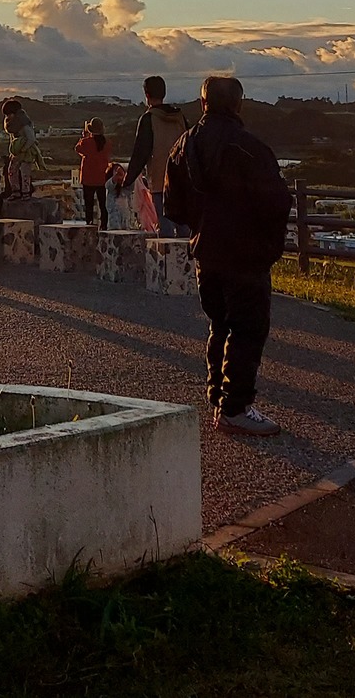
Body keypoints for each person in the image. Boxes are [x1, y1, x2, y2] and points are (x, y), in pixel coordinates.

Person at [165, 74, 291, 437]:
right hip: (246, 254)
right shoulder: (249, 148)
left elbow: (173, 206)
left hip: (207, 253)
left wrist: (203, 224)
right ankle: (236, 407)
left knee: (220, 324)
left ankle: (218, 396)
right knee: (248, 329)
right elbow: (277, 202)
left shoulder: (184, 146)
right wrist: (268, 243)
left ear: (203, 103)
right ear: (238, 104)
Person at [122, 76, 187, 232]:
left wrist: (128, 179)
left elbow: (141, 152)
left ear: (147, 95)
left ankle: (167, 256)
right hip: (182, 181)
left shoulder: (149, 118)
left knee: (165, 228)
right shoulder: (180, 118)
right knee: (184, 227)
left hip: (159, 180)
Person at [75, 118, 113, 226]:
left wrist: (84, 136)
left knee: (89, 204)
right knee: (103, 204)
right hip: (103, 177)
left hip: (88, 178)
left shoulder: (86, 142)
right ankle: (104, 225)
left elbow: (77, 148)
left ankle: (89, 224)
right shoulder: (107, 142)